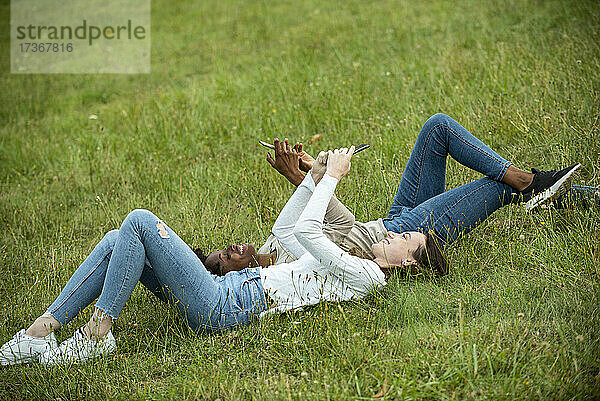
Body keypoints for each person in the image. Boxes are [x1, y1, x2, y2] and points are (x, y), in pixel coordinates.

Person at [1, 146, 407, 366]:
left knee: (140, 221)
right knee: (115, 238)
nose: (395, 231)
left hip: (226, 305)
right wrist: (315, 176)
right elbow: (291, 229)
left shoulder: (369, 277)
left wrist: (333, 178)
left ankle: (96, 335)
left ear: (408, 261)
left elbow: (307, 230)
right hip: (223, 288)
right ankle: (40, 333)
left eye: (407, 237)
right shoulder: (343, 261)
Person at [202, 113, 587, 277]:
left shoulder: (274, 238)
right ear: (234, 275)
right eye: (226, 258)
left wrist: (309, 174)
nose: (231, 247)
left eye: (223, 247)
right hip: (407, 234)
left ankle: (538, 187)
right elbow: (339, 225)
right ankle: (532, 183)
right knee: (497, 188)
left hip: (392, 220)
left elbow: (336, 220)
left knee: (437, 128)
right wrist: (311, 180)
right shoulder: (291, 263)